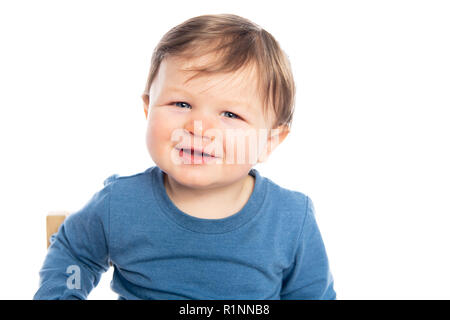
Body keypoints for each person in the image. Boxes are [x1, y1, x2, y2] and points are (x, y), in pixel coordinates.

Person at [34, 13, 336, 300]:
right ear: (147, 108)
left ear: (269, 141)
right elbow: (72, 254)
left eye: (230, 114)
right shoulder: (118, 203)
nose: (198, 127)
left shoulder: (291, 219)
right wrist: (63, 291)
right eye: (181, 104)